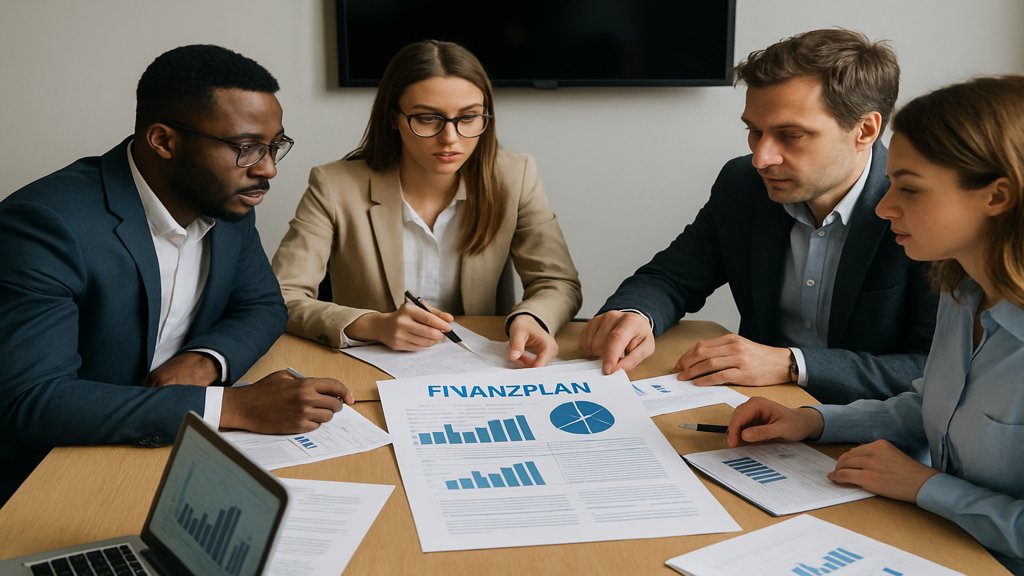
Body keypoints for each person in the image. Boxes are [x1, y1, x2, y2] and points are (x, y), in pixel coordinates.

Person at [0, 45, 354, 506]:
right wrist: (232, 406)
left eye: (274, 146)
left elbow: (262, 305)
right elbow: (33, 401)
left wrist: (206, 360)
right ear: (164, 141)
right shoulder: (45, 225)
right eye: (246, 148)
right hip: (55, 471)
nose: (267, 169)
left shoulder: (227, 201)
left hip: (170, 450)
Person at [727, 75, 1024, 574]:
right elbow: (934, 406)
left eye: (908, 189)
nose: (884, 208)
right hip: (936, 538)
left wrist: (928, 486)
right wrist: (817, 422)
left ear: (996, 197)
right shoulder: (961, 290)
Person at [579, 29, 937, 404]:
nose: (761, 158)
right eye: (754, 131)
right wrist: (637, 315)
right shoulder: (742, 185)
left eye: (791, 135)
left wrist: (792, 364)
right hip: (761, 411)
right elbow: (671, 277)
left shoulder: (920, 209)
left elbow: (934, 368)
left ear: (865, 130)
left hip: (879, 432)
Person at [273, 40, 581, 366]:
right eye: (427, 119)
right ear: (394, 117)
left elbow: (557, 282)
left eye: (469, 117)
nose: (450, 137)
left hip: (481, 366)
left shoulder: (515, 175)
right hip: (371, 364)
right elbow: (282, 296)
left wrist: (533, 317)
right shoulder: (334, 185)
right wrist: (374, 325)